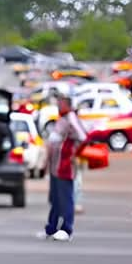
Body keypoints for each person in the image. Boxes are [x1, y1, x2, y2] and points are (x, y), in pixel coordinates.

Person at [37, 93, 87, 241]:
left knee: (66, 198)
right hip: (55, 166)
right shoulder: (62, 119)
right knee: (55, 199)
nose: (58, 106)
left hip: (64, 166)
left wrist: (73, 153)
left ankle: (67, 228)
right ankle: (51, 228)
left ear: (67, 105)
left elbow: (83, 137)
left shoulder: (71, 118)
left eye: (61, 103)